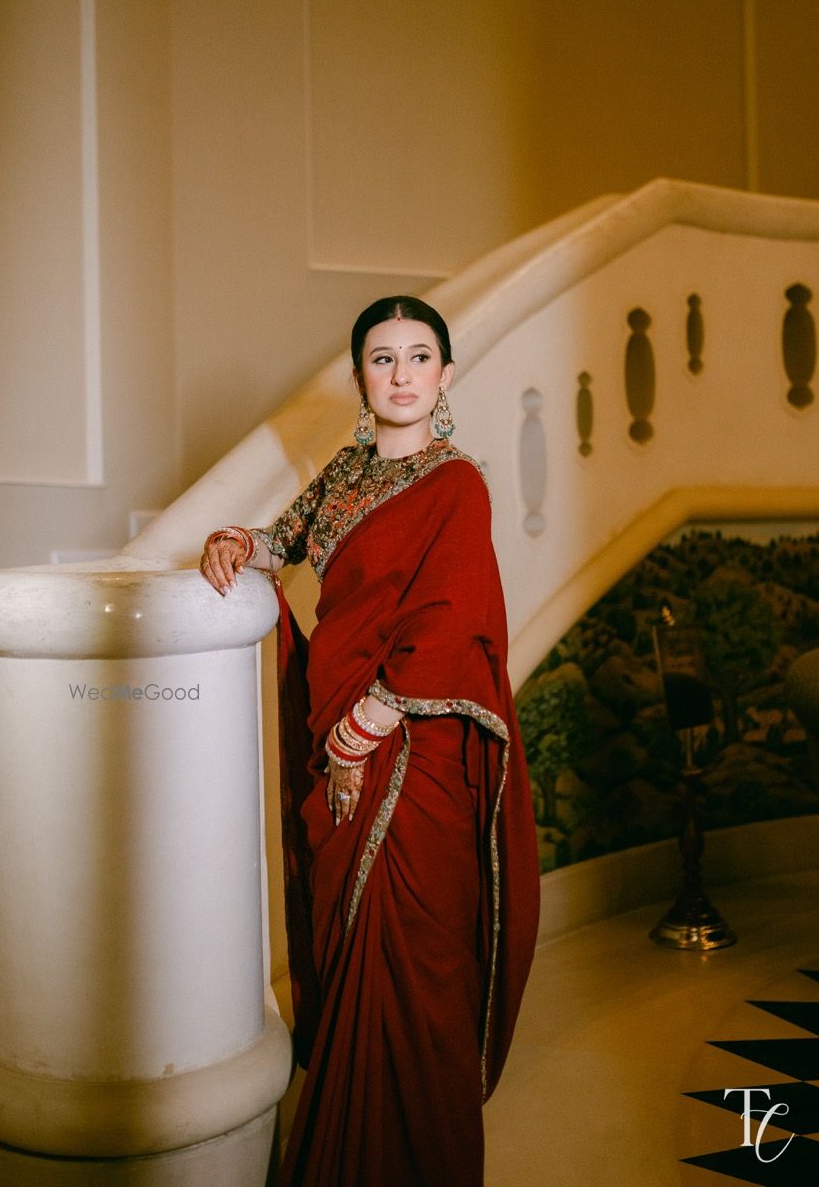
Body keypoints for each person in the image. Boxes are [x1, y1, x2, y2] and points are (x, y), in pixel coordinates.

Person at [200, 295, 540, 1187]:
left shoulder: (457, 484)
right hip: (346, 736)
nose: (401, 375)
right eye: (382, 359)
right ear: (360, 378)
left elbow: (450, 622)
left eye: (418, 357)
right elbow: (285, 540)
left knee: (416, 967)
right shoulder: (347, 474)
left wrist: (362, 730)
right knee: (351, 955)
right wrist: (237, 541)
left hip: (416, 758)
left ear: (446, 374)